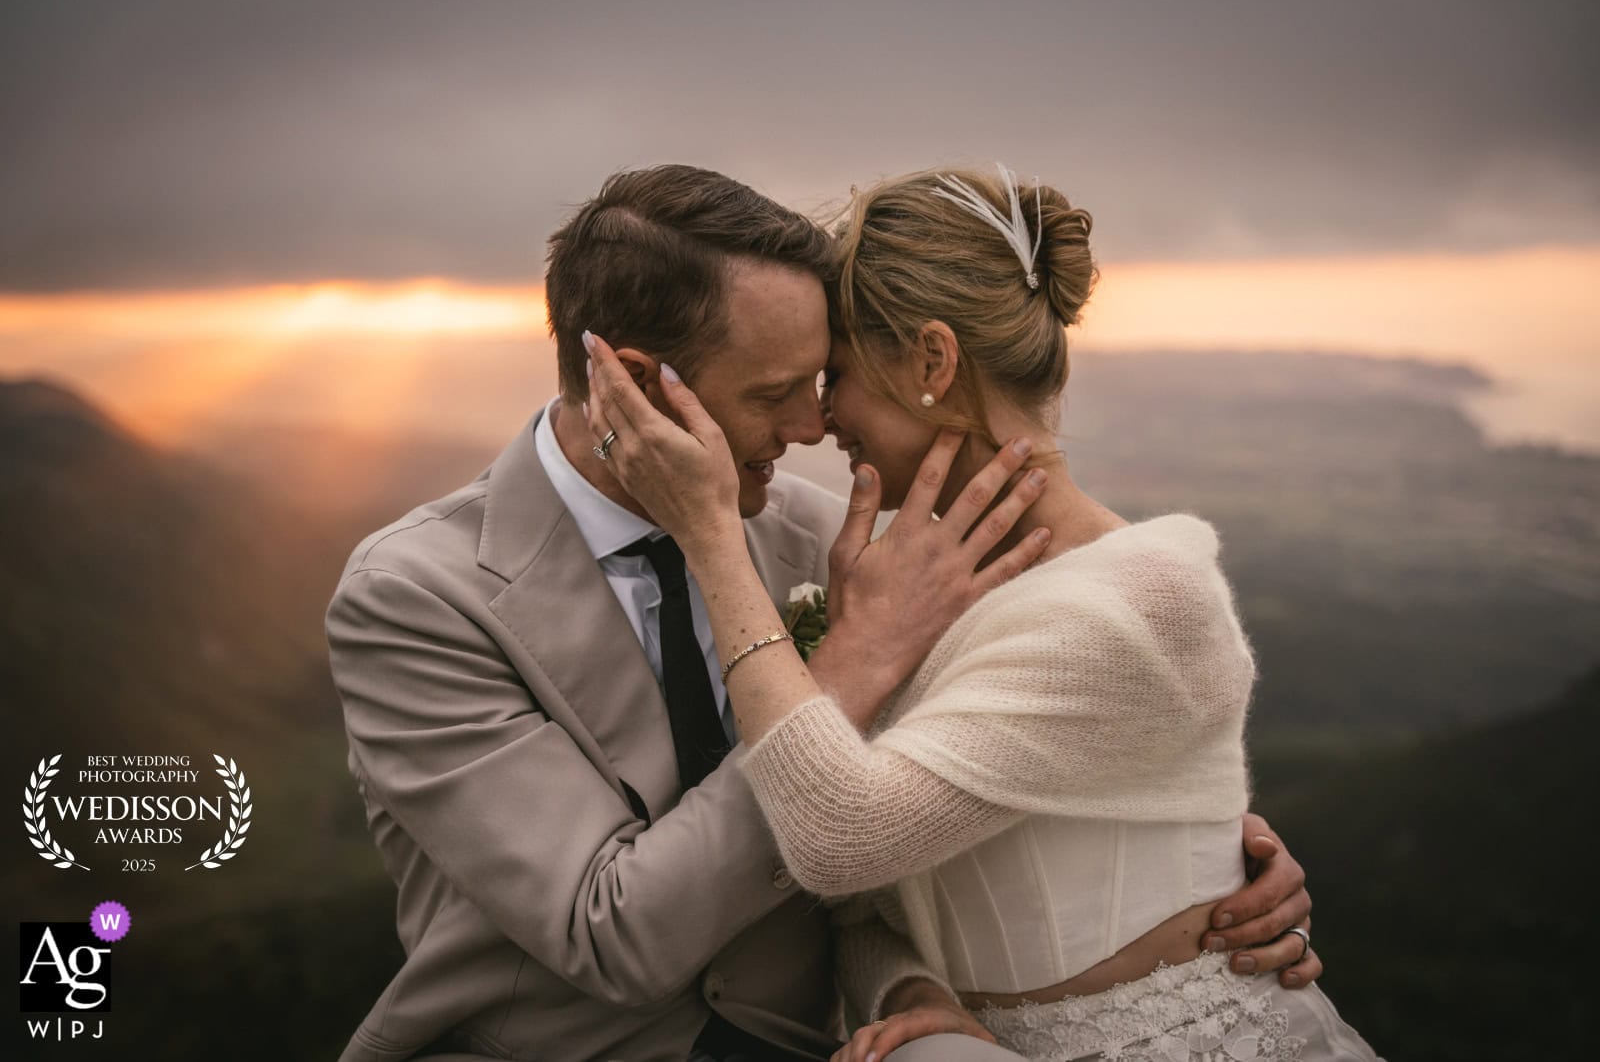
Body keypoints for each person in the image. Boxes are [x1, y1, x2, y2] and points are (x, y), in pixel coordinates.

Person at [327, 164, 1320, 1062]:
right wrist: (846, 664)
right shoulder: (418, 594)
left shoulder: (827, 536)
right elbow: (613, 933)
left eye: (819, 383)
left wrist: (1195, 847)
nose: (809, 429)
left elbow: (1055, 704)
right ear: (633, 384)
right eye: (774, 394)